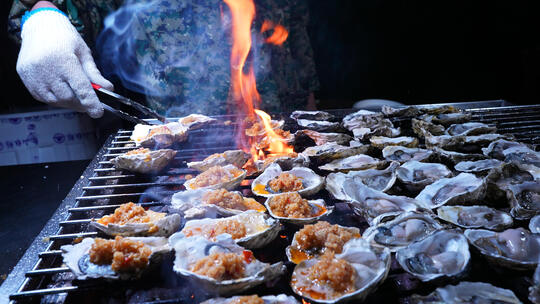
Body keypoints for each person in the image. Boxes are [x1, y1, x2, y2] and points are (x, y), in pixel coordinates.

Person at [8, 0, 320, 118]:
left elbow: (297, 32)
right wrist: (43, 18)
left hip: (280, 130)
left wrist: (310, 110)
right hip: (183, 150)